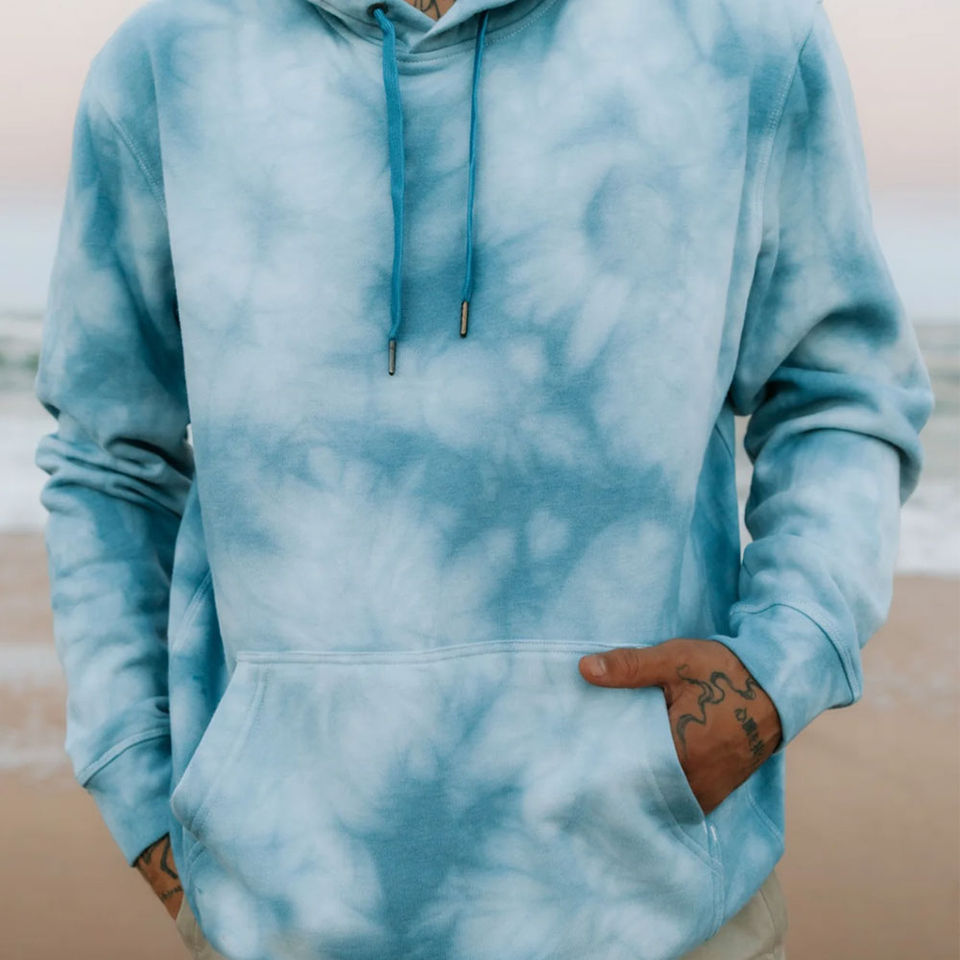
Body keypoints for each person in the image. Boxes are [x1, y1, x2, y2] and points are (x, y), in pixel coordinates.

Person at [33, 0, 934, 956]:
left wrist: (782, 663)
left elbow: (841, 391)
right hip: (277, 912)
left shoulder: (743, 35)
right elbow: (111, 460)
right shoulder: (169, 64)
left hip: (656, 909)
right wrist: (139, 784)